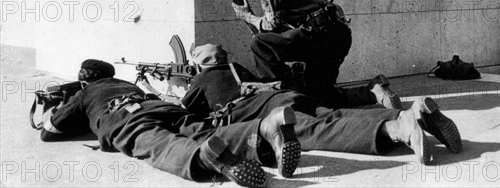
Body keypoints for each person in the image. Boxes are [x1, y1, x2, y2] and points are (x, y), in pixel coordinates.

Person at [39, 59, 303, 187]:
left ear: (85, 81)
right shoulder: (127, 83)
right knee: (206, 131)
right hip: (163, 107)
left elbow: (50, 132)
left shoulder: (86, 92)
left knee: (157, 142)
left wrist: (60, 104)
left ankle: (203, 157)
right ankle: (264, 129)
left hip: (125, 117)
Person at [181, 44, 463, 163]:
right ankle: (412, 113)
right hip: (285, 96)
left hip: (273, 112)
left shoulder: (202, 79)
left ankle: (399, 129)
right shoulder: (235, 68)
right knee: (336, 115)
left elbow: (187, 110)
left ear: (200, 65)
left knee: (318, 131)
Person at [228, 0, 400, 109]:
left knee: (260, 43)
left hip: (321, 36)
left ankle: (280, 96)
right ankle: (374, 92)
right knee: (319, 96)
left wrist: (247, 16)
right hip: (335, 36)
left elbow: (272, 24)